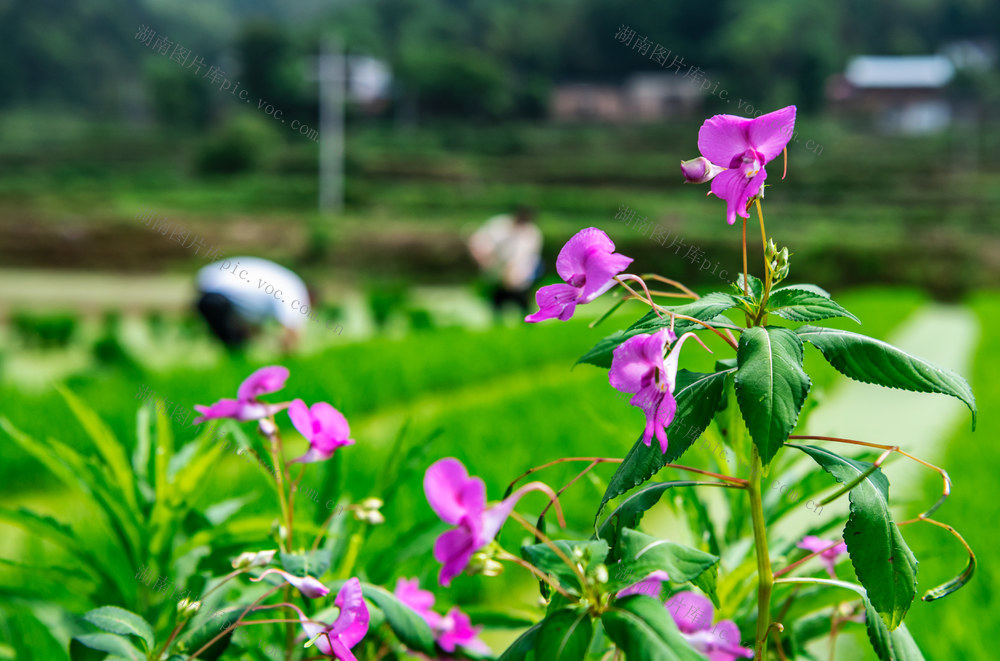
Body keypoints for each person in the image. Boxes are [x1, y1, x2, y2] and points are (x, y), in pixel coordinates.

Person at [195, 256, 310, 353]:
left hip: (209, 281)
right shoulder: (294, 294)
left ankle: (235, 353)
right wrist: (286, 355)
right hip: (215, 296)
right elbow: (291, 331)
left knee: (239, 335)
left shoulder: (288, 282)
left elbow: (252, 312)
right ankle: (235, 353)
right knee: (234, 342)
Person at [468, 206, 543, 316]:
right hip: (496, 271)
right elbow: (479, 243)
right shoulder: (499, 225)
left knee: (523, 302)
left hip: (519, 275)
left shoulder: (532, 233)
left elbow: (527, 257)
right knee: (497, 304)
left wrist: (514, 273)